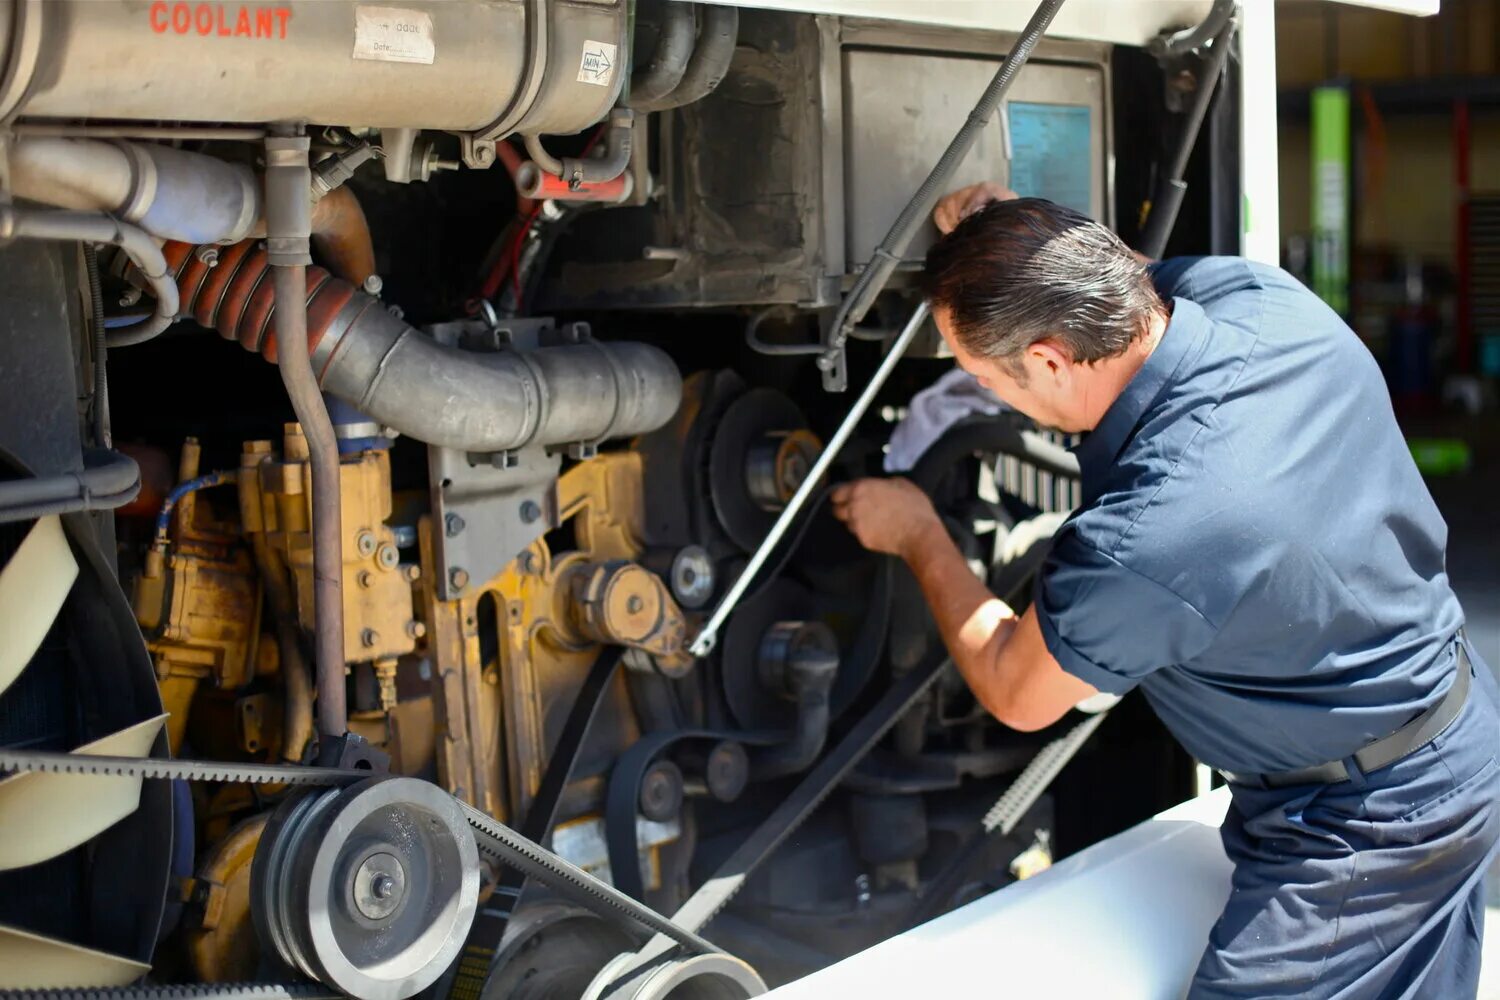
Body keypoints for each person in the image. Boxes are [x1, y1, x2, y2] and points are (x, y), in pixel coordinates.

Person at [832, 183, 1500, 997]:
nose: (984, 394)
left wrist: (916, 533)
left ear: (1045, 361)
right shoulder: (1262, 299)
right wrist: (1026, 236)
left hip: (1368, 825)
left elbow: (1015, 686)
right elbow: (1131, 281)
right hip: (1451, 724)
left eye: (979, 376)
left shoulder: (1148, 535)